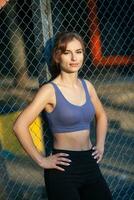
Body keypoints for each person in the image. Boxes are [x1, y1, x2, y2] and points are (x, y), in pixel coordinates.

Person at [13, 32, 112, 200]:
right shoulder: (49, 90)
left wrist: (100, 145)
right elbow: (19, 125)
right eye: (67, 53)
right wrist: (41, 161)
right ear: (57, 57)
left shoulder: (87, 86)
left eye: (78, 52)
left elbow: (101, 115)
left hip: (90, 163)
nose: (74, 58)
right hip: (63, 168)